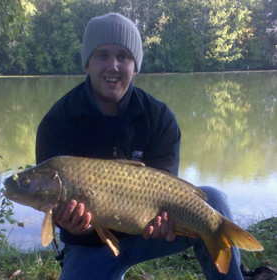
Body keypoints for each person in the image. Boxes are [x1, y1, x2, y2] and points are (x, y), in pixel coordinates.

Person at [36, 13, 244, 280]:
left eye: (123, 56)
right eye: (102, 55)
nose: (113, 66)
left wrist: (164, 223)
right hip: (89, 246)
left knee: (213, 202)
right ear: (87, 64)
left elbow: (169, 190)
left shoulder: (159, 117)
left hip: (149, 235)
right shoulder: (57, 123)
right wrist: (71, 224)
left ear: (135, 66)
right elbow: (54, 212)